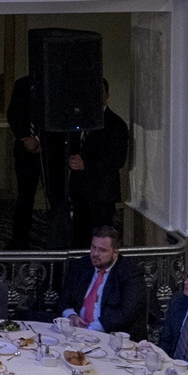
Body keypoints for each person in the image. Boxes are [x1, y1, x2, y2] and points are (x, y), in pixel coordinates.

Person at [6, 74, 69, 249]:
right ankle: (19, 242)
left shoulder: (57, 83)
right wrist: (25, 137)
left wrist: (43, 142)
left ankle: (57, 241)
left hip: (51, 154)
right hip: (25, 153)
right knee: (24, 198)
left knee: (56, 198)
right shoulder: (22, 84)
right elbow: (13, 114)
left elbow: (61, 117)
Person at [67, 81, 130, 249]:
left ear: (107, 95)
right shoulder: (79, 121)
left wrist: (86, 164)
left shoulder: (116, 124)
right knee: (79, 236)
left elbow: (118, 159)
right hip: (79, 189)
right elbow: (73, 147)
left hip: (102, 192)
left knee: (100, 238)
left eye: (99, 91)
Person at [57, 225, 146, 336]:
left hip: (111, 335)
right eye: (93, 247)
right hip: (75, 332)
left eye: (102, 250)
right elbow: (64, 300)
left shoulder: (130, 273)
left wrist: (91, 328)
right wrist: (71, 316)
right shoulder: (81, 265)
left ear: (115, 252)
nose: (95, 254)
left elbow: (127, 313)